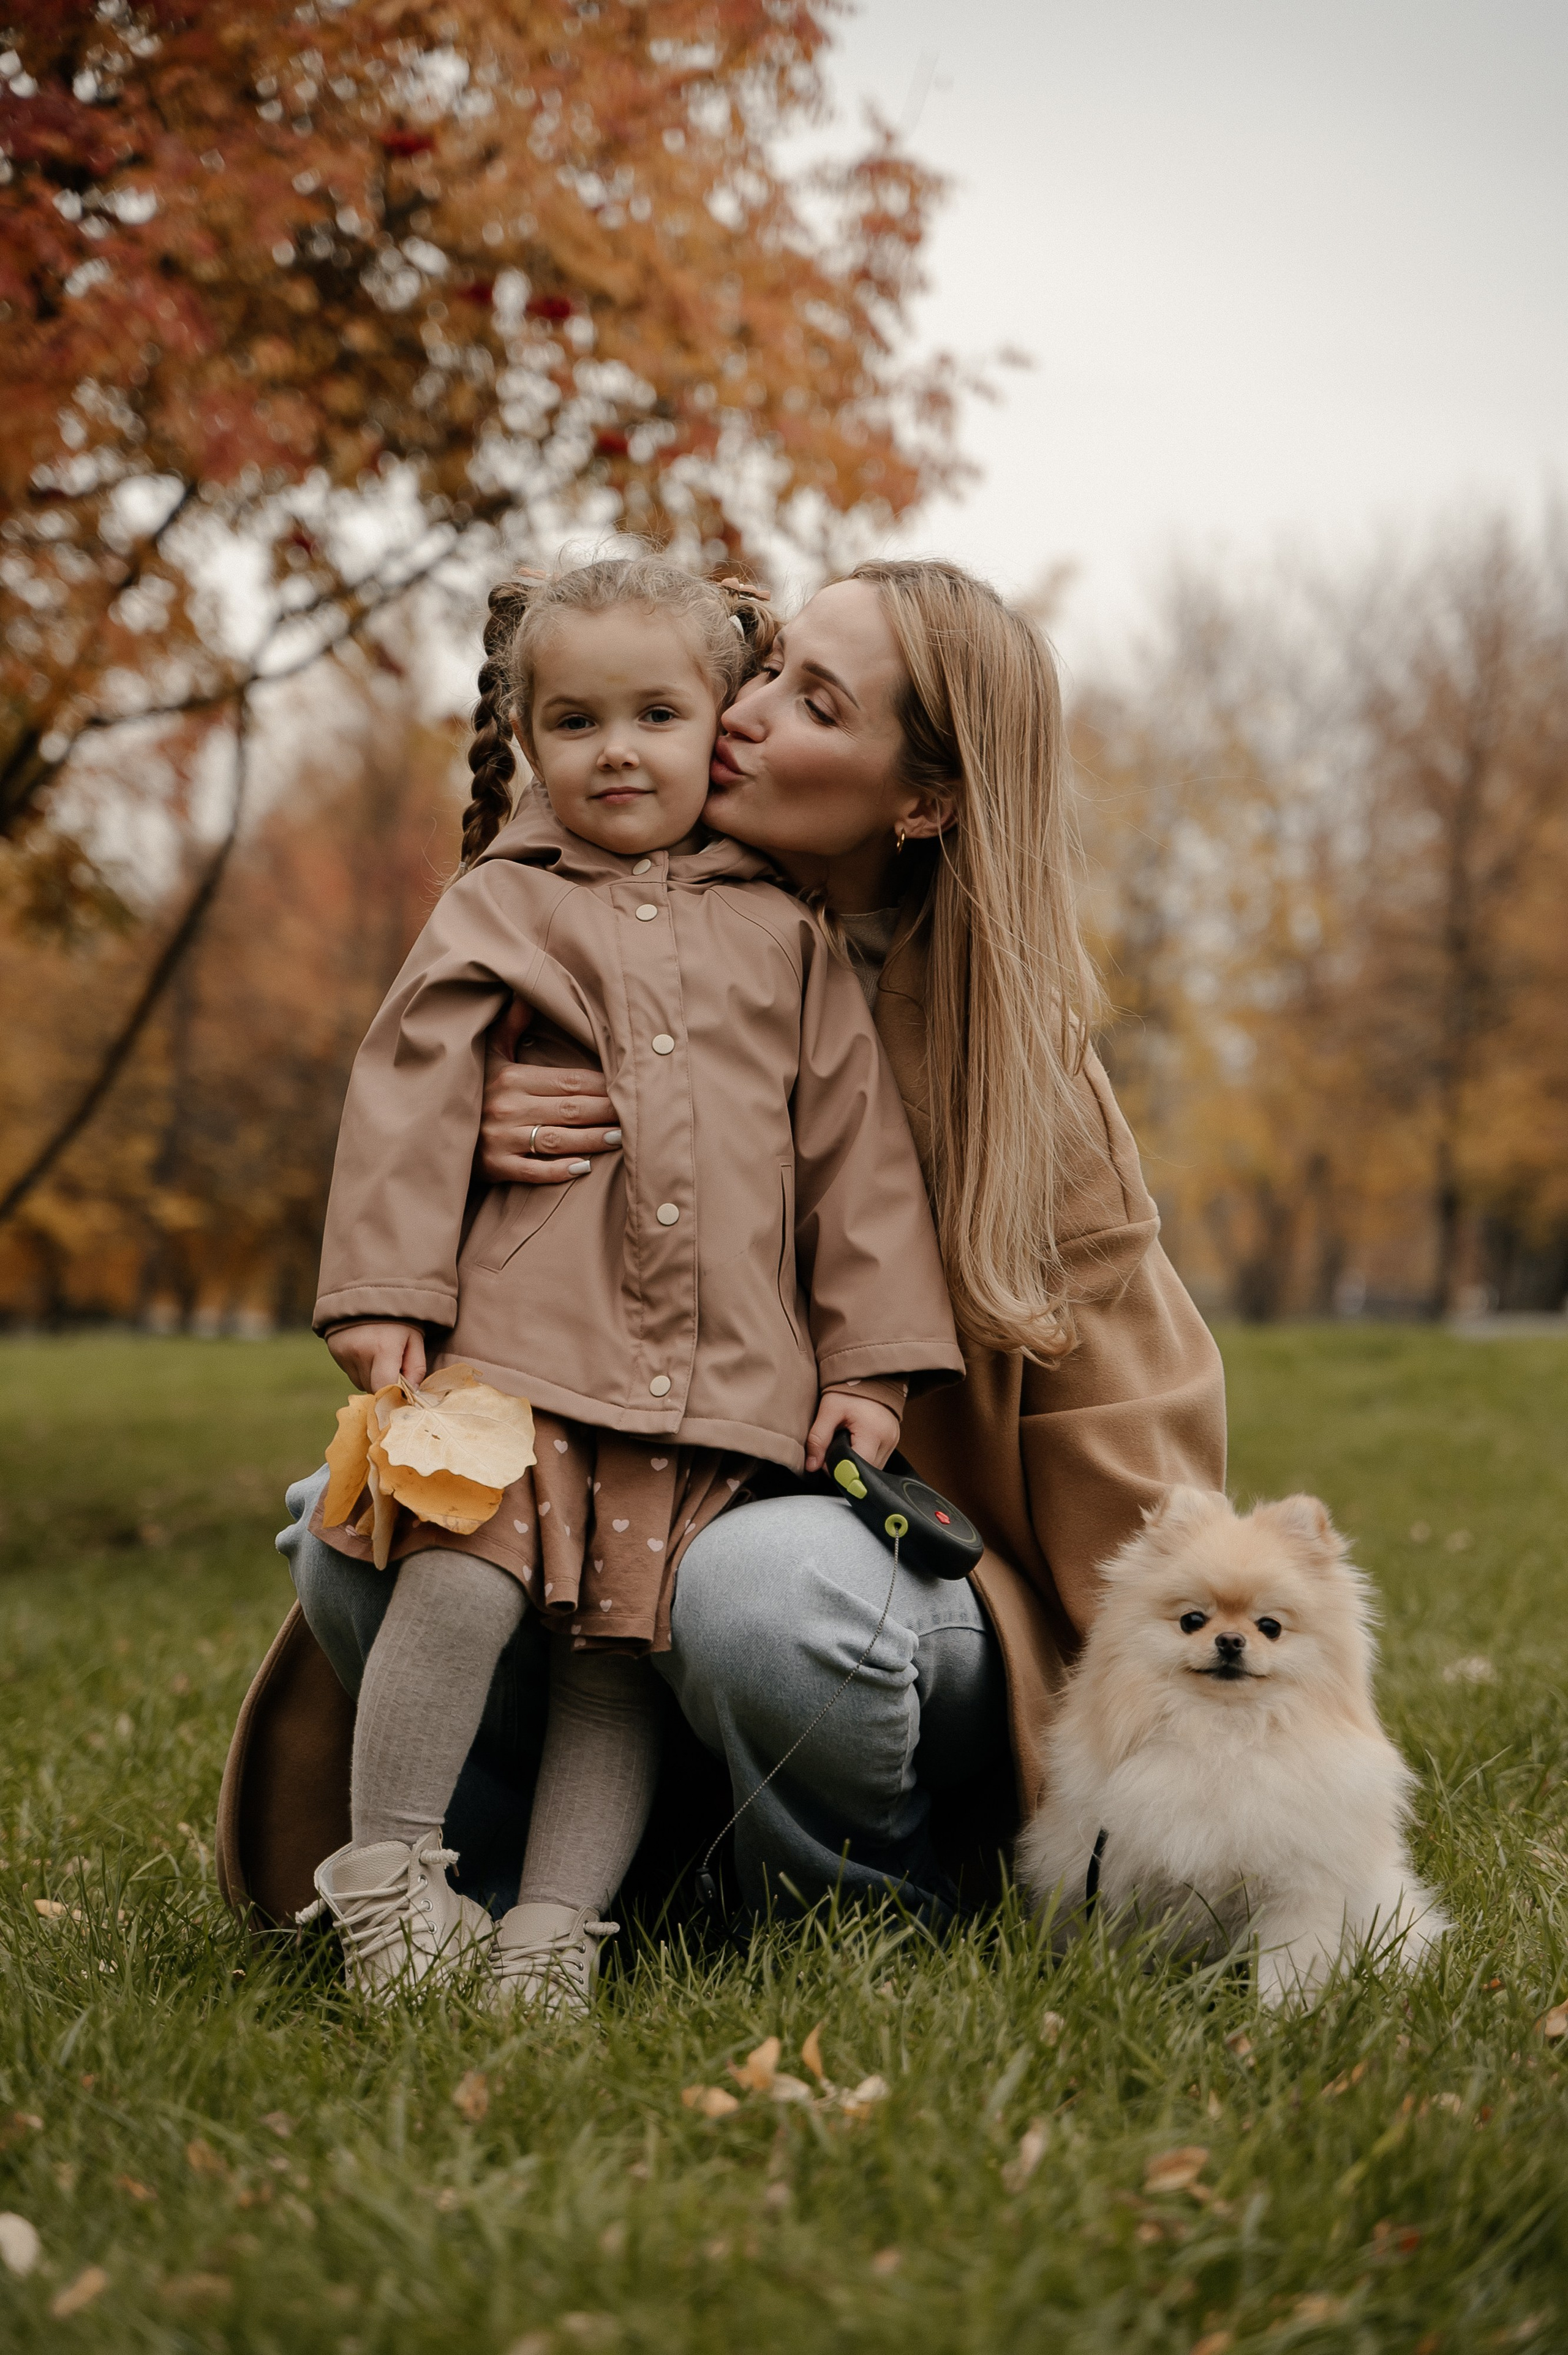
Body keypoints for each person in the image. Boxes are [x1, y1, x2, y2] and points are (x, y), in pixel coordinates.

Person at [217, 557, 1226, 1946]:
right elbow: (561, 812)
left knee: (752, 1595)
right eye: (764, 667)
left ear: (920, 799)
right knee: (353, 1533)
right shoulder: (581, 917)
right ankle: (527, 1899)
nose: (744, 714)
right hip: (623, 1450)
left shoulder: (1014, 1072)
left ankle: (858, 1913)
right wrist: (465, 1125)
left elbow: (1135, 1431)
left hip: (875, 1559)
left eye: (812, 702)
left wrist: (1182, 1724)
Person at [287, 554, 962, 2008]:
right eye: (576, 720)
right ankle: (391, 1882)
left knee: (618, 1649)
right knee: (454, 1581)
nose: (617, 750)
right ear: (527, 739)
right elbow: (406, 1090)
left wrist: (868, 1367)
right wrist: (383, 1288)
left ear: (714, 721)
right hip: (514, 1346)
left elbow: (858, 1165)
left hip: (713, 1379)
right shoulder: (500, 906)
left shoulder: (785, 933)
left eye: (656, 713)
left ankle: (550, 1933)